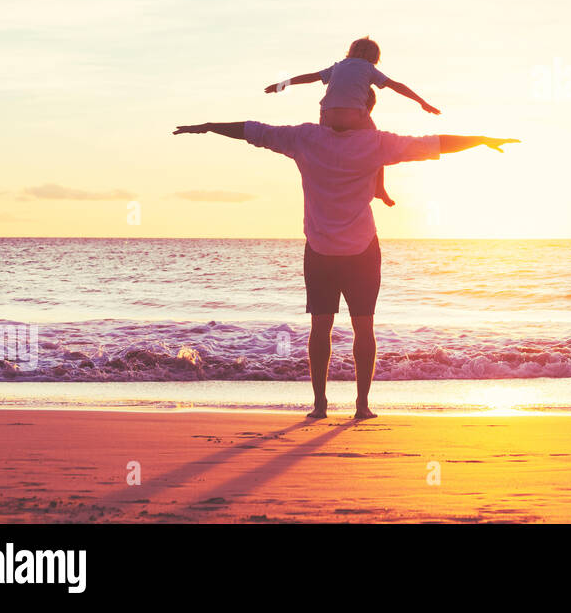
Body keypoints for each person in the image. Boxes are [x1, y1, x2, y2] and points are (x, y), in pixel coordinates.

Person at [173, 119, 517, 420]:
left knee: (327, 328)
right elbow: (431, 143)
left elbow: (254, 131)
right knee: (356, 328)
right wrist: (481, 140)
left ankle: (325, 404)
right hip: (360, 250)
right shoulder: (373, 142)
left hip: (325, 249)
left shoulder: (305, 138)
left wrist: (208, 127)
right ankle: (357, 405)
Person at [263, 36, 440, 206]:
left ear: (350, 51)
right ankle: (380, 188)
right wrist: (422, 102)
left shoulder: (338, 66)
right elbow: (396, 86)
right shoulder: (369, 68)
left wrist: (282, 84)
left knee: (326, 145)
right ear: (375, 57)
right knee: (379, 144)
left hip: (327, 116)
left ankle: (326, 178)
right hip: (353, 115)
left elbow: (310, 77)